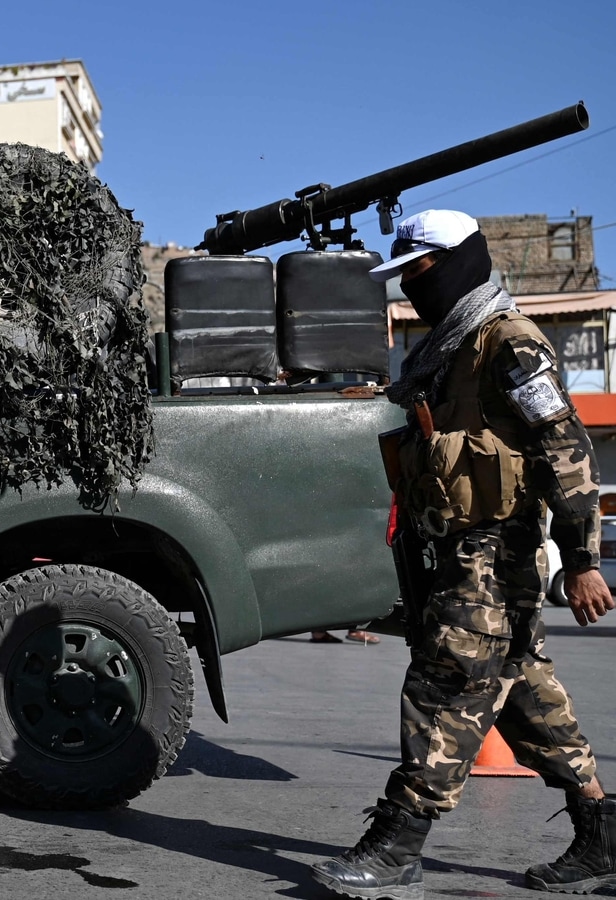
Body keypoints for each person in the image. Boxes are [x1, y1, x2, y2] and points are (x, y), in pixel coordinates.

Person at [311, 209, 616, 898]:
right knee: (522, 698)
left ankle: (397, 843)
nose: (411, 290)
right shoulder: (443, 350)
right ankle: (602, 829)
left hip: (494, 554)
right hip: (451, 552)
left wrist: (583, 558)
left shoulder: (508, 343)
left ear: (453, 263)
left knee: (444, 687)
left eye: (417, 273)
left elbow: (565, 450)